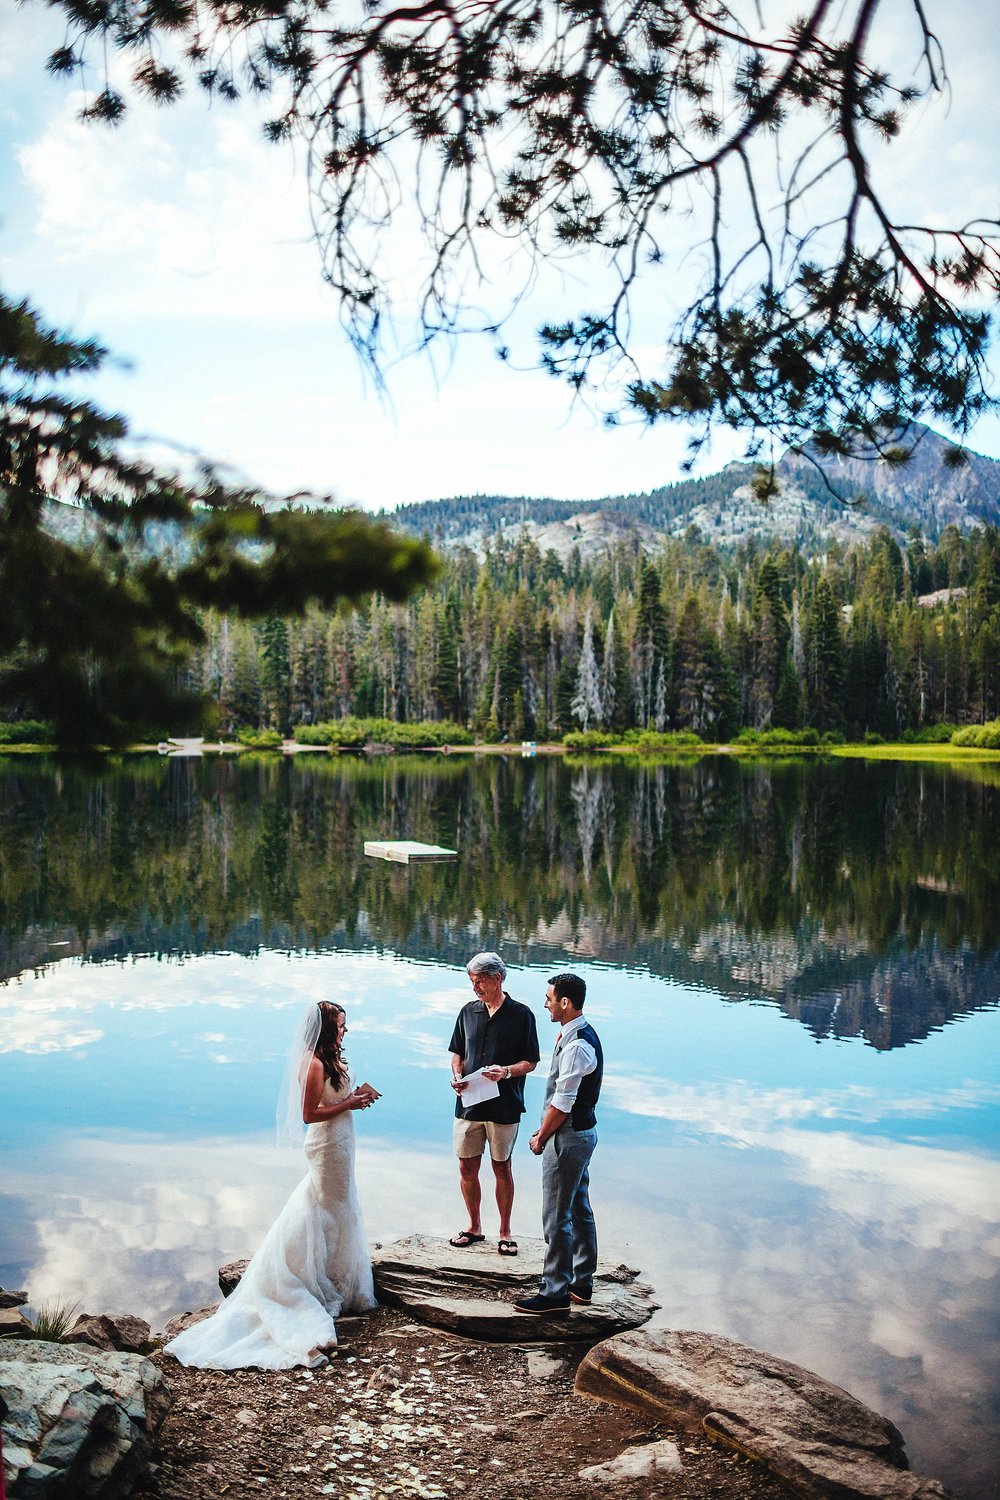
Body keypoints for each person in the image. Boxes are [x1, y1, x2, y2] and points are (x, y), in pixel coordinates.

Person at [164, 1001, 380, 1369]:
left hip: (343, 1142)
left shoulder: (331, 1060)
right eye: (341, 1026)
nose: (346, 1031)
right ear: (326, 1029)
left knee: (341, 1206)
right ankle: (305, 1278)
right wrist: (351, 1104)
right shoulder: (312, 1064)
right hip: (327, 1145)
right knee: (325, 1205)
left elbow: (334, 1099)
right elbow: (309, 1114)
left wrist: (353, 1097)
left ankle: (335, 1276)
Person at [514, 972, 602, 1315]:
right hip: (581, 1134)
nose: (546, 1003)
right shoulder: (577, 1035)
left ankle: (554, 1292)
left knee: (556, 1215)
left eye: (549, 998)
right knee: (578, 1207)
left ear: (565, 1002)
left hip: (568, 1137)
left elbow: (563, 1101)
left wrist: (540, 1136)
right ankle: (581, 1284)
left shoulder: (578, 1044)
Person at [448, 952, 540, 1256]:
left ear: (496, 979)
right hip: (468, 1104)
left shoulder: (522, 1015)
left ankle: (505, 1232)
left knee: (502, 1167)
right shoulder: (467, 1012)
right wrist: (457, 1074)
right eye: (472, 982)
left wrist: (507, 1072)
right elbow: (457, 1053)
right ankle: (474, 1227)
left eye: (479, 982)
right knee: (466, 1166)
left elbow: (531, 1062)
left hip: (505, 1106)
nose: (475, 988)